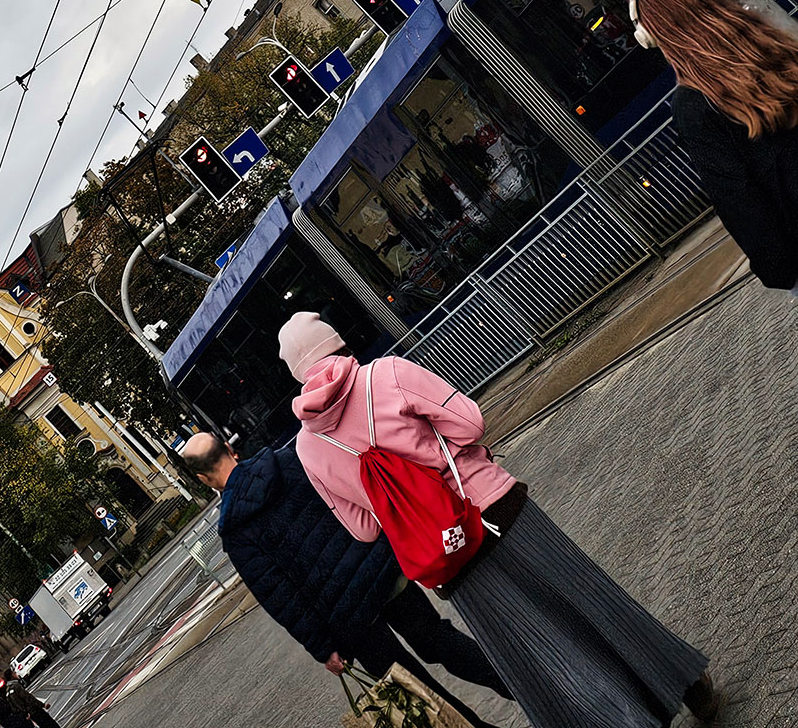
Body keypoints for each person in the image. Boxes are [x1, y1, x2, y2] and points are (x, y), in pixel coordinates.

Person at [278, 310, 721, 728]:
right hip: (495, 509)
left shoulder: (307, 448)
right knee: (590, 600)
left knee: (542, 653)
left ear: (298, 374)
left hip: (446, 558)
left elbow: (363, 528)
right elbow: (470, 424)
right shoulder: (387, 374)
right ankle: (683, 682)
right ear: (338, 344)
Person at [181, 431, 513, 728]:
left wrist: (322, 647)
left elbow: (279, 596)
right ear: (230, 449)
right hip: (381, 572)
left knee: (408, 684)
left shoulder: (234, 531)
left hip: (345, 618)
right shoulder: (288, 460)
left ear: (202, 478)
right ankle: (519, 683)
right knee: (437, 638)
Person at [629, 0, 798, 292]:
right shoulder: (771, 41)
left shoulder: (693, 104)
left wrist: (779, 270)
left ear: (650, 34)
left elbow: (737, 197)